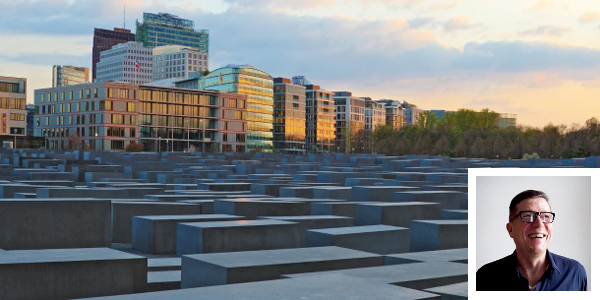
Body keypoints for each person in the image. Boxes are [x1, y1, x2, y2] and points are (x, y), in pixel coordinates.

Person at [476, 190, 587, 291]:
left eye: (545, 216)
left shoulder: (575, 273)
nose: (539, 224)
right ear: (510, 229)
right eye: (528, 216)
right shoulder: (485, 277)